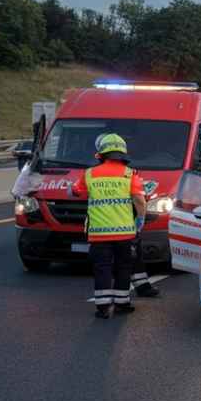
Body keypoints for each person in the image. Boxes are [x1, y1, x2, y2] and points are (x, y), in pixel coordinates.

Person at [74, 133, 147, 318]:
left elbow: (75, 191)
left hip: (98, 235)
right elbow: (139, 200)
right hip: (125, 234)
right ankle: (122, 303)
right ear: (122, 153)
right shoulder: (130, 174)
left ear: (101, 153)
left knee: (102, 269)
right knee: (123, 267)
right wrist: (140, 220)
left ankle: (103, 307)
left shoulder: (89, 174)